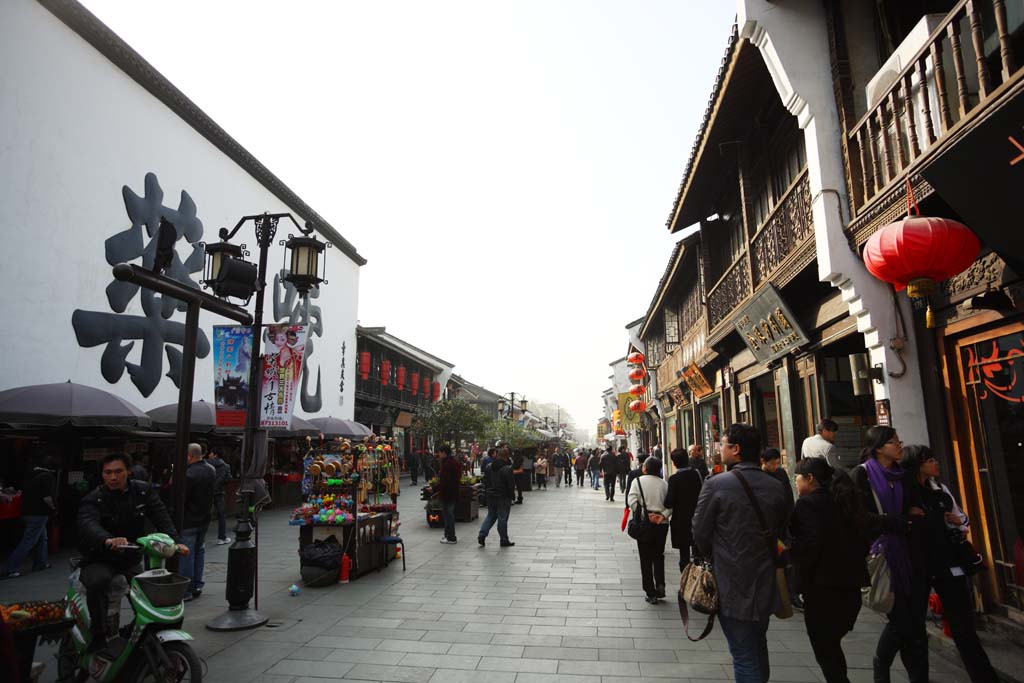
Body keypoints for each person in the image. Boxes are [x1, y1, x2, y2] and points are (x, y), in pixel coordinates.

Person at [692, 423, 788, 683]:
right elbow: (784, 529)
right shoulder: (776, 485)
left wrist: (716, 553)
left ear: (735, 449)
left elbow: (699, 532)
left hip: (731, 579)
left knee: (744, 654)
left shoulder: (717, 484)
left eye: (723, 444)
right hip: (766, 577)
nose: (720, 449)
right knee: (758, 646)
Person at [901, 445, 998, 683]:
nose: (936, 463)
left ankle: (985, 677)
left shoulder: (940, 490)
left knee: (963, 627)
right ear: (918, 464)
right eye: (930, 459)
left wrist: (960, 521)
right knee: (913, 630)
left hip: (949, 563)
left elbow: (961, 519)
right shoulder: (904, 493)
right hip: (919, 566)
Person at [76, 453, 186, 652]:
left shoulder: (143, 492)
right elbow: (88, 523)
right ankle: (98, 634)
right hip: (100, 557)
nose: (113, 477)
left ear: (128, 471)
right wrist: (107, 539)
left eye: (118, 471)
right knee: (98, 581)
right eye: (108, 472)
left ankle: (140, 633)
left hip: (130, 557)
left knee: (152, 593)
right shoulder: (94, 498)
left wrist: (176, 542)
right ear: (102, 475)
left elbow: (161, 516)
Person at [851, 426, 928, 683]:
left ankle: (916, 675)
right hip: (883, 556)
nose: (899, 445)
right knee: (903, 620)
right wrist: (899, 522)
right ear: (879, 447)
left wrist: (901, 520)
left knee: (914, 623)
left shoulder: (904, 476)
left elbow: (917, 511)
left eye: (898, 441)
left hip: (911, 556)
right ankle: (881, 664)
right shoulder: (862, 476)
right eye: (894, 442)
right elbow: (861, 518)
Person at [790, 457, 870, 683]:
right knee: (832, 646)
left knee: (825, 649)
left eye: (797, 477)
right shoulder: (845, 500)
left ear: (810, 479)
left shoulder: (807, 505)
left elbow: (808, 547)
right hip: (850, 586)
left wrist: (791, 563)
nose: (795, 482)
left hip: (822, 588)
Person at [2, 457, 57, 578]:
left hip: (26, 512)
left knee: (42, 538)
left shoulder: (31, 475)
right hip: (39, 513)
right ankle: (11, 568)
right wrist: (54, 508)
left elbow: (20, 492)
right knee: (29, 541)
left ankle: (41, 563)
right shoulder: (48, 477)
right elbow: (47, 497)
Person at [627, 456, 671, 604]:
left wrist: (646, 515)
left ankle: (650, 591)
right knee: (658, 555)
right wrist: (662, 515)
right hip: (661, 523)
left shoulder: (637, 481)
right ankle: (660, 585)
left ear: (645, 468)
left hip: (644, 524)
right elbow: (671, 504)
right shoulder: (664, 484)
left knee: (645, 558)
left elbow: (631, 500)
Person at [180, 443, 215, 601]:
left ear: (190, 456)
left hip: (189, 519)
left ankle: (186, 590)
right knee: (199, 551)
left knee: (187, 554)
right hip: (205, 517)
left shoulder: (188, 474)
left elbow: (182, 498)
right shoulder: (211, 470)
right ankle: (197, 584)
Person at [664, 448, 703, 572]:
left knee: (684, 555)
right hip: (697, 518)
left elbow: (669, 502)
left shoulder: (674, 479)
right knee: (698, 553)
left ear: (674, 463)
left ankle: (686, 583)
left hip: (681, 521)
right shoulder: (696, 474)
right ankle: (699, 582)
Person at [478, 447, 515, 547]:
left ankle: (482, 534)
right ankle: (504, 540)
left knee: (491, 515)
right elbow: (510, 485)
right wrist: (512, 496)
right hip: (503, 496)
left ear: (498, 455)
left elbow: (485, 480)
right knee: (502, 518)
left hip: (491, 495)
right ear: (507, 456)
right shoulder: (507, 469)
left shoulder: (489, 466)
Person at [205, 447, 232, 545]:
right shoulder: (226, 466)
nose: (209, 455)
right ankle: (221, 537)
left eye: (211, 453)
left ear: (215, 454)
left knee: (205, 514)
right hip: (219, 492)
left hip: (207, 492)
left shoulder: (206, 464)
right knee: (221, 515)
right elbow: (229, 479)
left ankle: (201, 538)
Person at [760, 448, 794, 520]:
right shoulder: (759, 475)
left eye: (777, 463)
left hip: (784, 513)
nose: (775, 466)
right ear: (763, 461)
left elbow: (789, 494)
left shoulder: (781, 473)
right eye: (772, 464)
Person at [436, 444, 461, 544]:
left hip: (447, 493)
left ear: (443, 453)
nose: (438, 454)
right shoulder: (454, 461)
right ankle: (448, 535)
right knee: (448, 514)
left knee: (448, 515)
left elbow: (445, 482)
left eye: (439, 452)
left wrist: (434, 488)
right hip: (452, 492)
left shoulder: (447, 464)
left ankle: (451, 537)